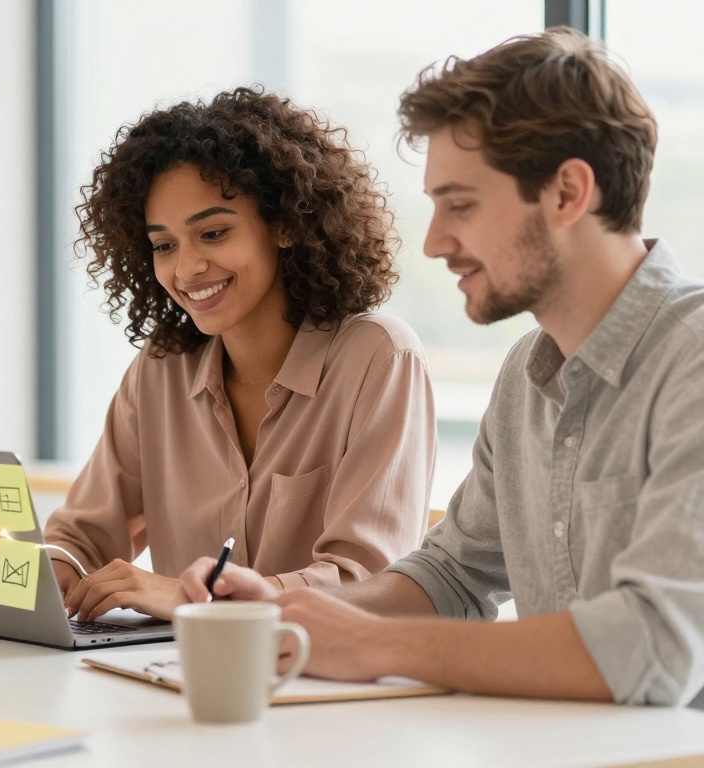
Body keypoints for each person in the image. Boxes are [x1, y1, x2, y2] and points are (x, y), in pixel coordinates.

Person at [181, 28, 704, 708]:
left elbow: (658, 648)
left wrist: (374, 645)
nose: (434, 242)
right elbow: (453, 577)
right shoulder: (525, 377)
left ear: (569, 193)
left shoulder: (692, 360)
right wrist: (287, 615)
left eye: (460, 204)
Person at [44, 87, 437, 623]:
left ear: (285, 224)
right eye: (163, 245)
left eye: (214, 233)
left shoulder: (379, 359)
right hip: (174, 677)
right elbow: (79, 537)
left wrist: (192, 599)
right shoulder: (161, 370)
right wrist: (41, 576)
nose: (185, 270)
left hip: (325, 682)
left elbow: (367, 578)